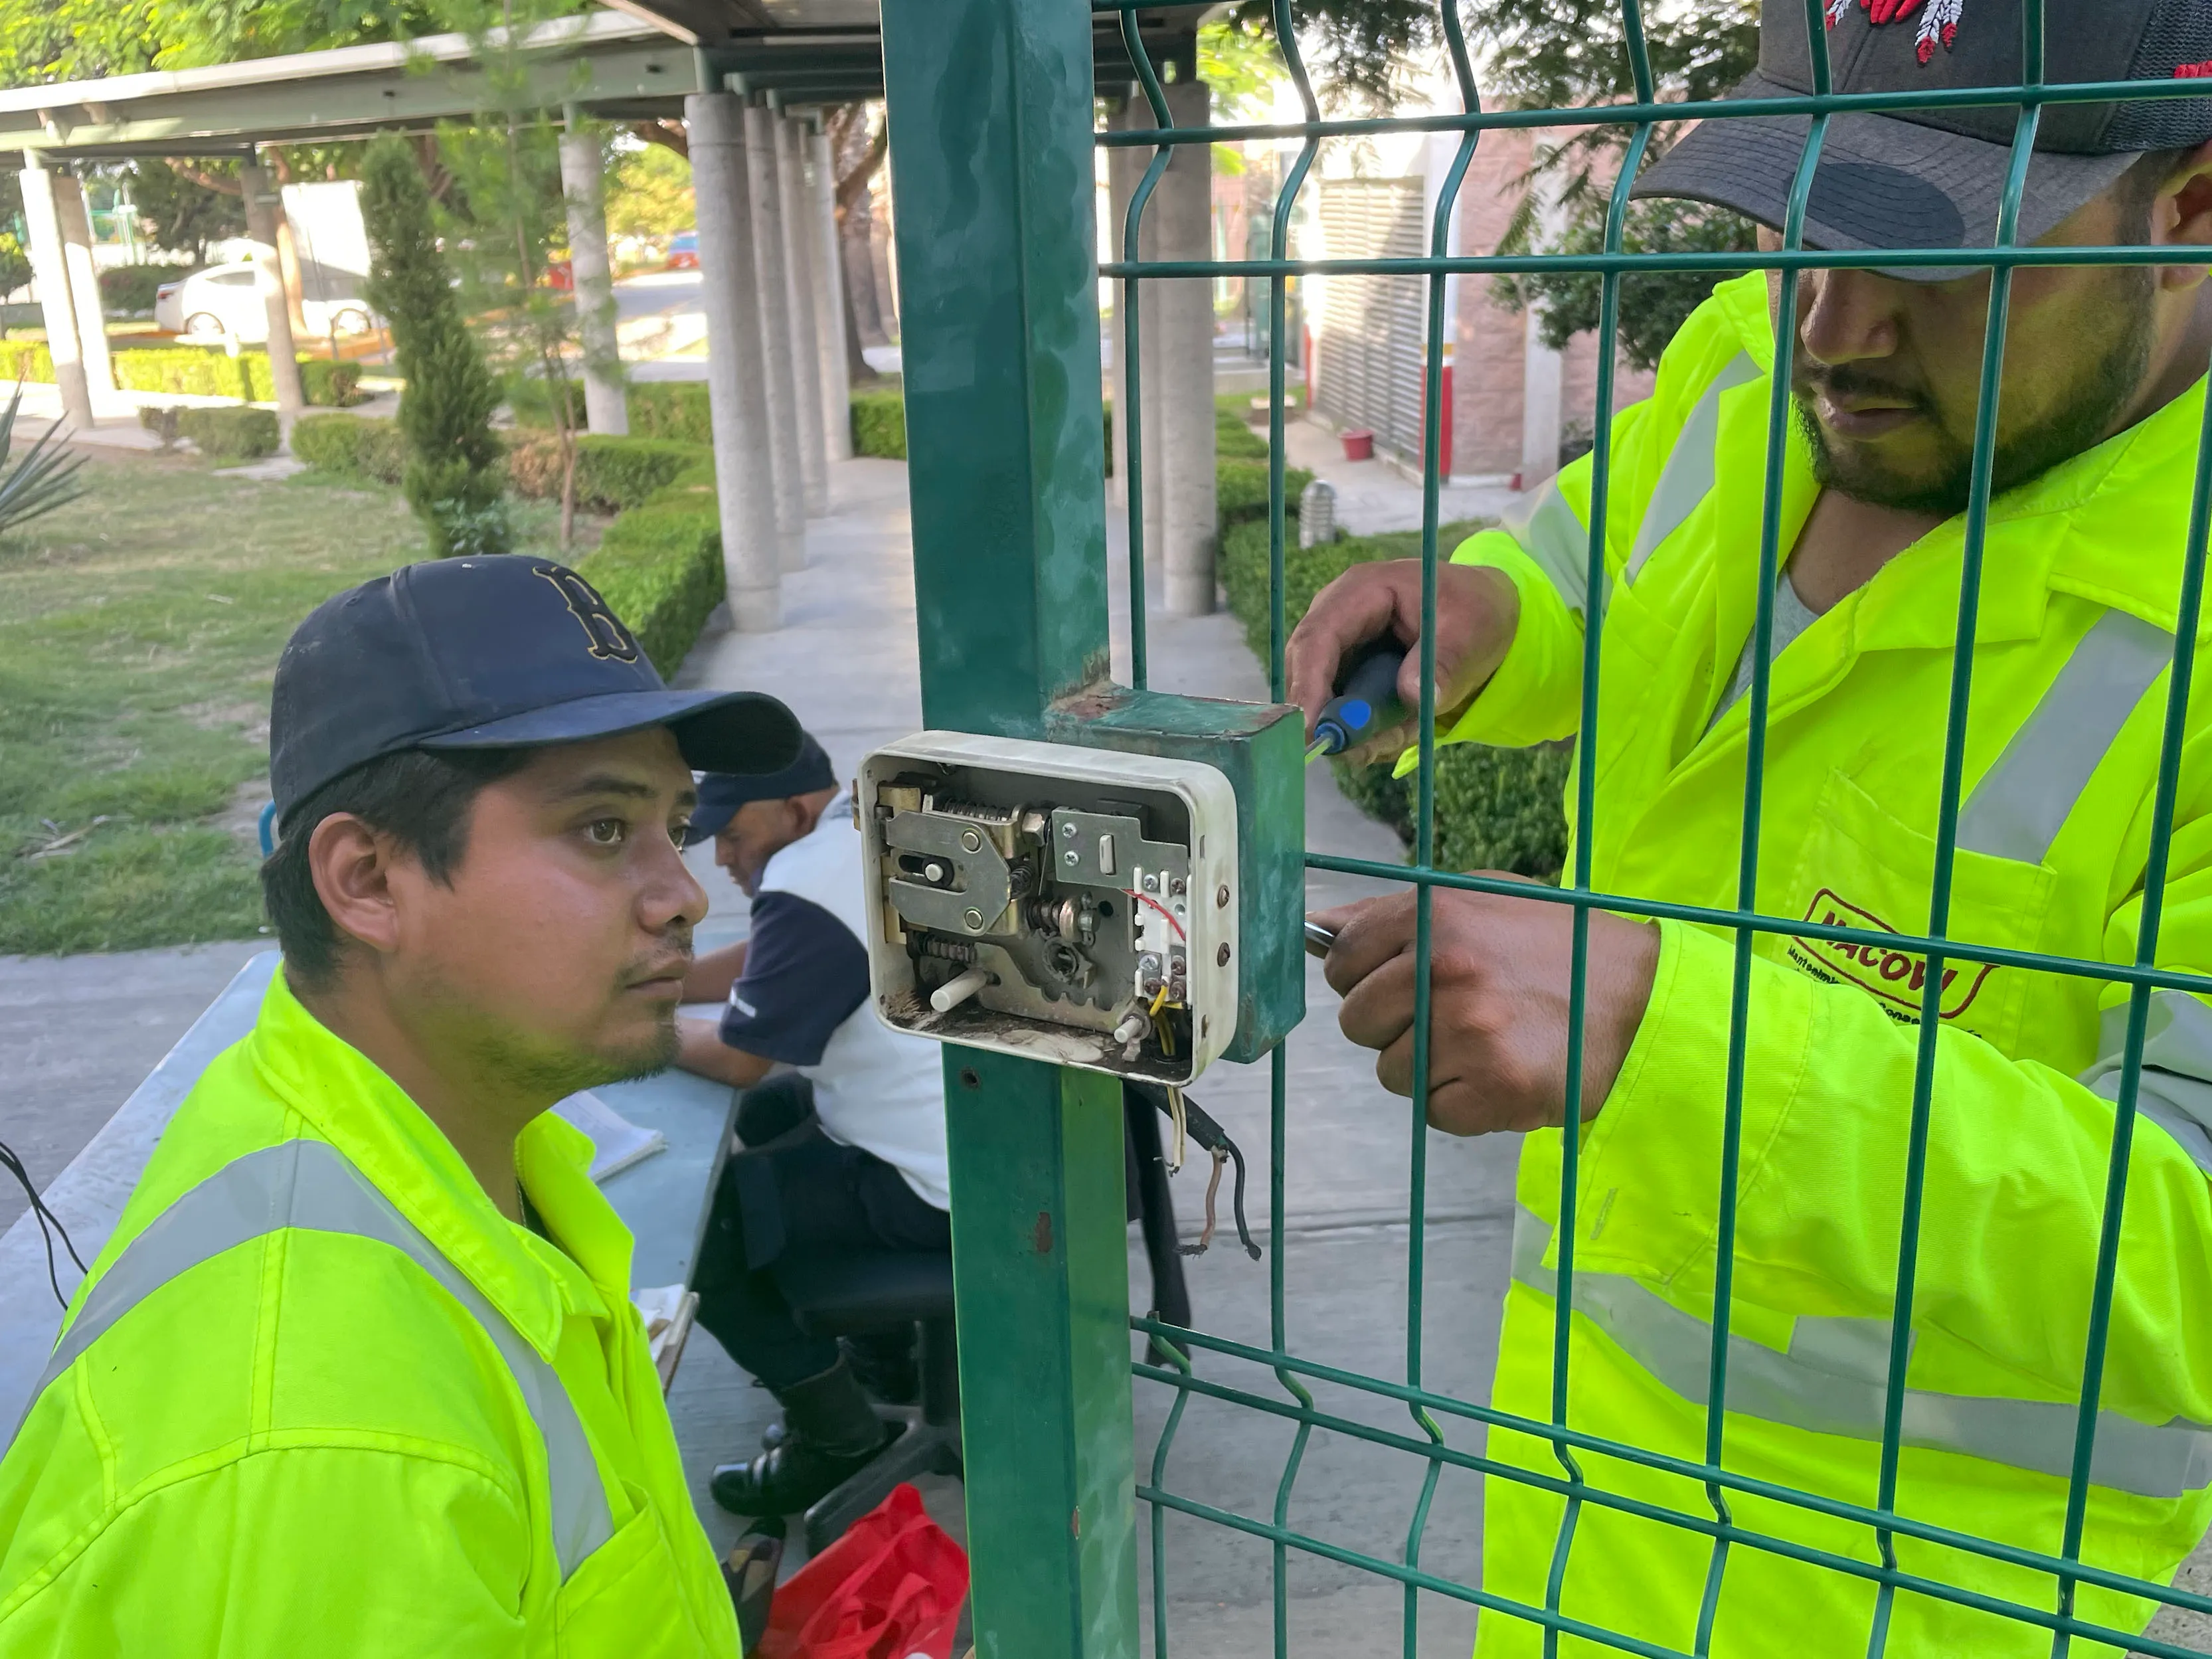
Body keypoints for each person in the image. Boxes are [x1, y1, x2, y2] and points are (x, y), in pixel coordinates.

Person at [1291, 3, 2212, 1653]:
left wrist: (1665, 1031)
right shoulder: (1743, 359)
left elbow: (2187, 1256)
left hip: (1905, 1603)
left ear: (2188, 203)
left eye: (1937, 258)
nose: (1828, 328)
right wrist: (1484, 615)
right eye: (1805, 225)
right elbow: (1601, 560)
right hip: (1573, 1517)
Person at [0, 555, 803, 1656]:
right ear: (369, 880)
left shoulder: (451, 1144)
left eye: (673, 821)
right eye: (604, 830)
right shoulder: (329, 1452)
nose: (683, 892)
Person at [669, 732, 951, 1518]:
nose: (723, 855)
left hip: (935, 1188)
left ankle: (837, 1435)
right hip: (1001, 1140)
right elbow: (779, 954)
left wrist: (624, 1028)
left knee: (706, 1225)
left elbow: (736, 1056)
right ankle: (883, 1357)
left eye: (734, 833)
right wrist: (666, 981)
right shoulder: (869, 825)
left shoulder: (806, 874)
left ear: (794, 808)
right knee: (768, 1116)